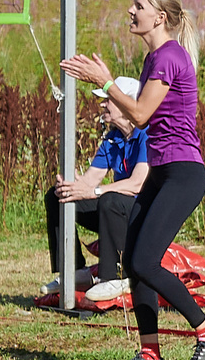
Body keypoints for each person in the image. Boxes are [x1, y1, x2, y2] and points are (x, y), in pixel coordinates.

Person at [57, 0, 205, 360]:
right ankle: (150, 357)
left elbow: (138, 115)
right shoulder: (156, 58)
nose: (130, 12)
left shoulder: (168, 57)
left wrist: (105, 82)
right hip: (163, 172)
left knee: (143, 261)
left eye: (138, 5)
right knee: (134, 261)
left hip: (183, 174)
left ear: (161, 16)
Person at [44, 77, 150, 304]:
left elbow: (138, 183)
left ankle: (113, 276)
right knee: (57, 197)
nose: (102, 105)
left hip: (141, 212)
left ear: (125, 103)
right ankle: (73, 270)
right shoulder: (112, 139)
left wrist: (96, 191)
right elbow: (90, 182)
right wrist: (71, 183)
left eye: (107, 100)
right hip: (112, 208)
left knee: (109, 199)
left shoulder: (146, 135)